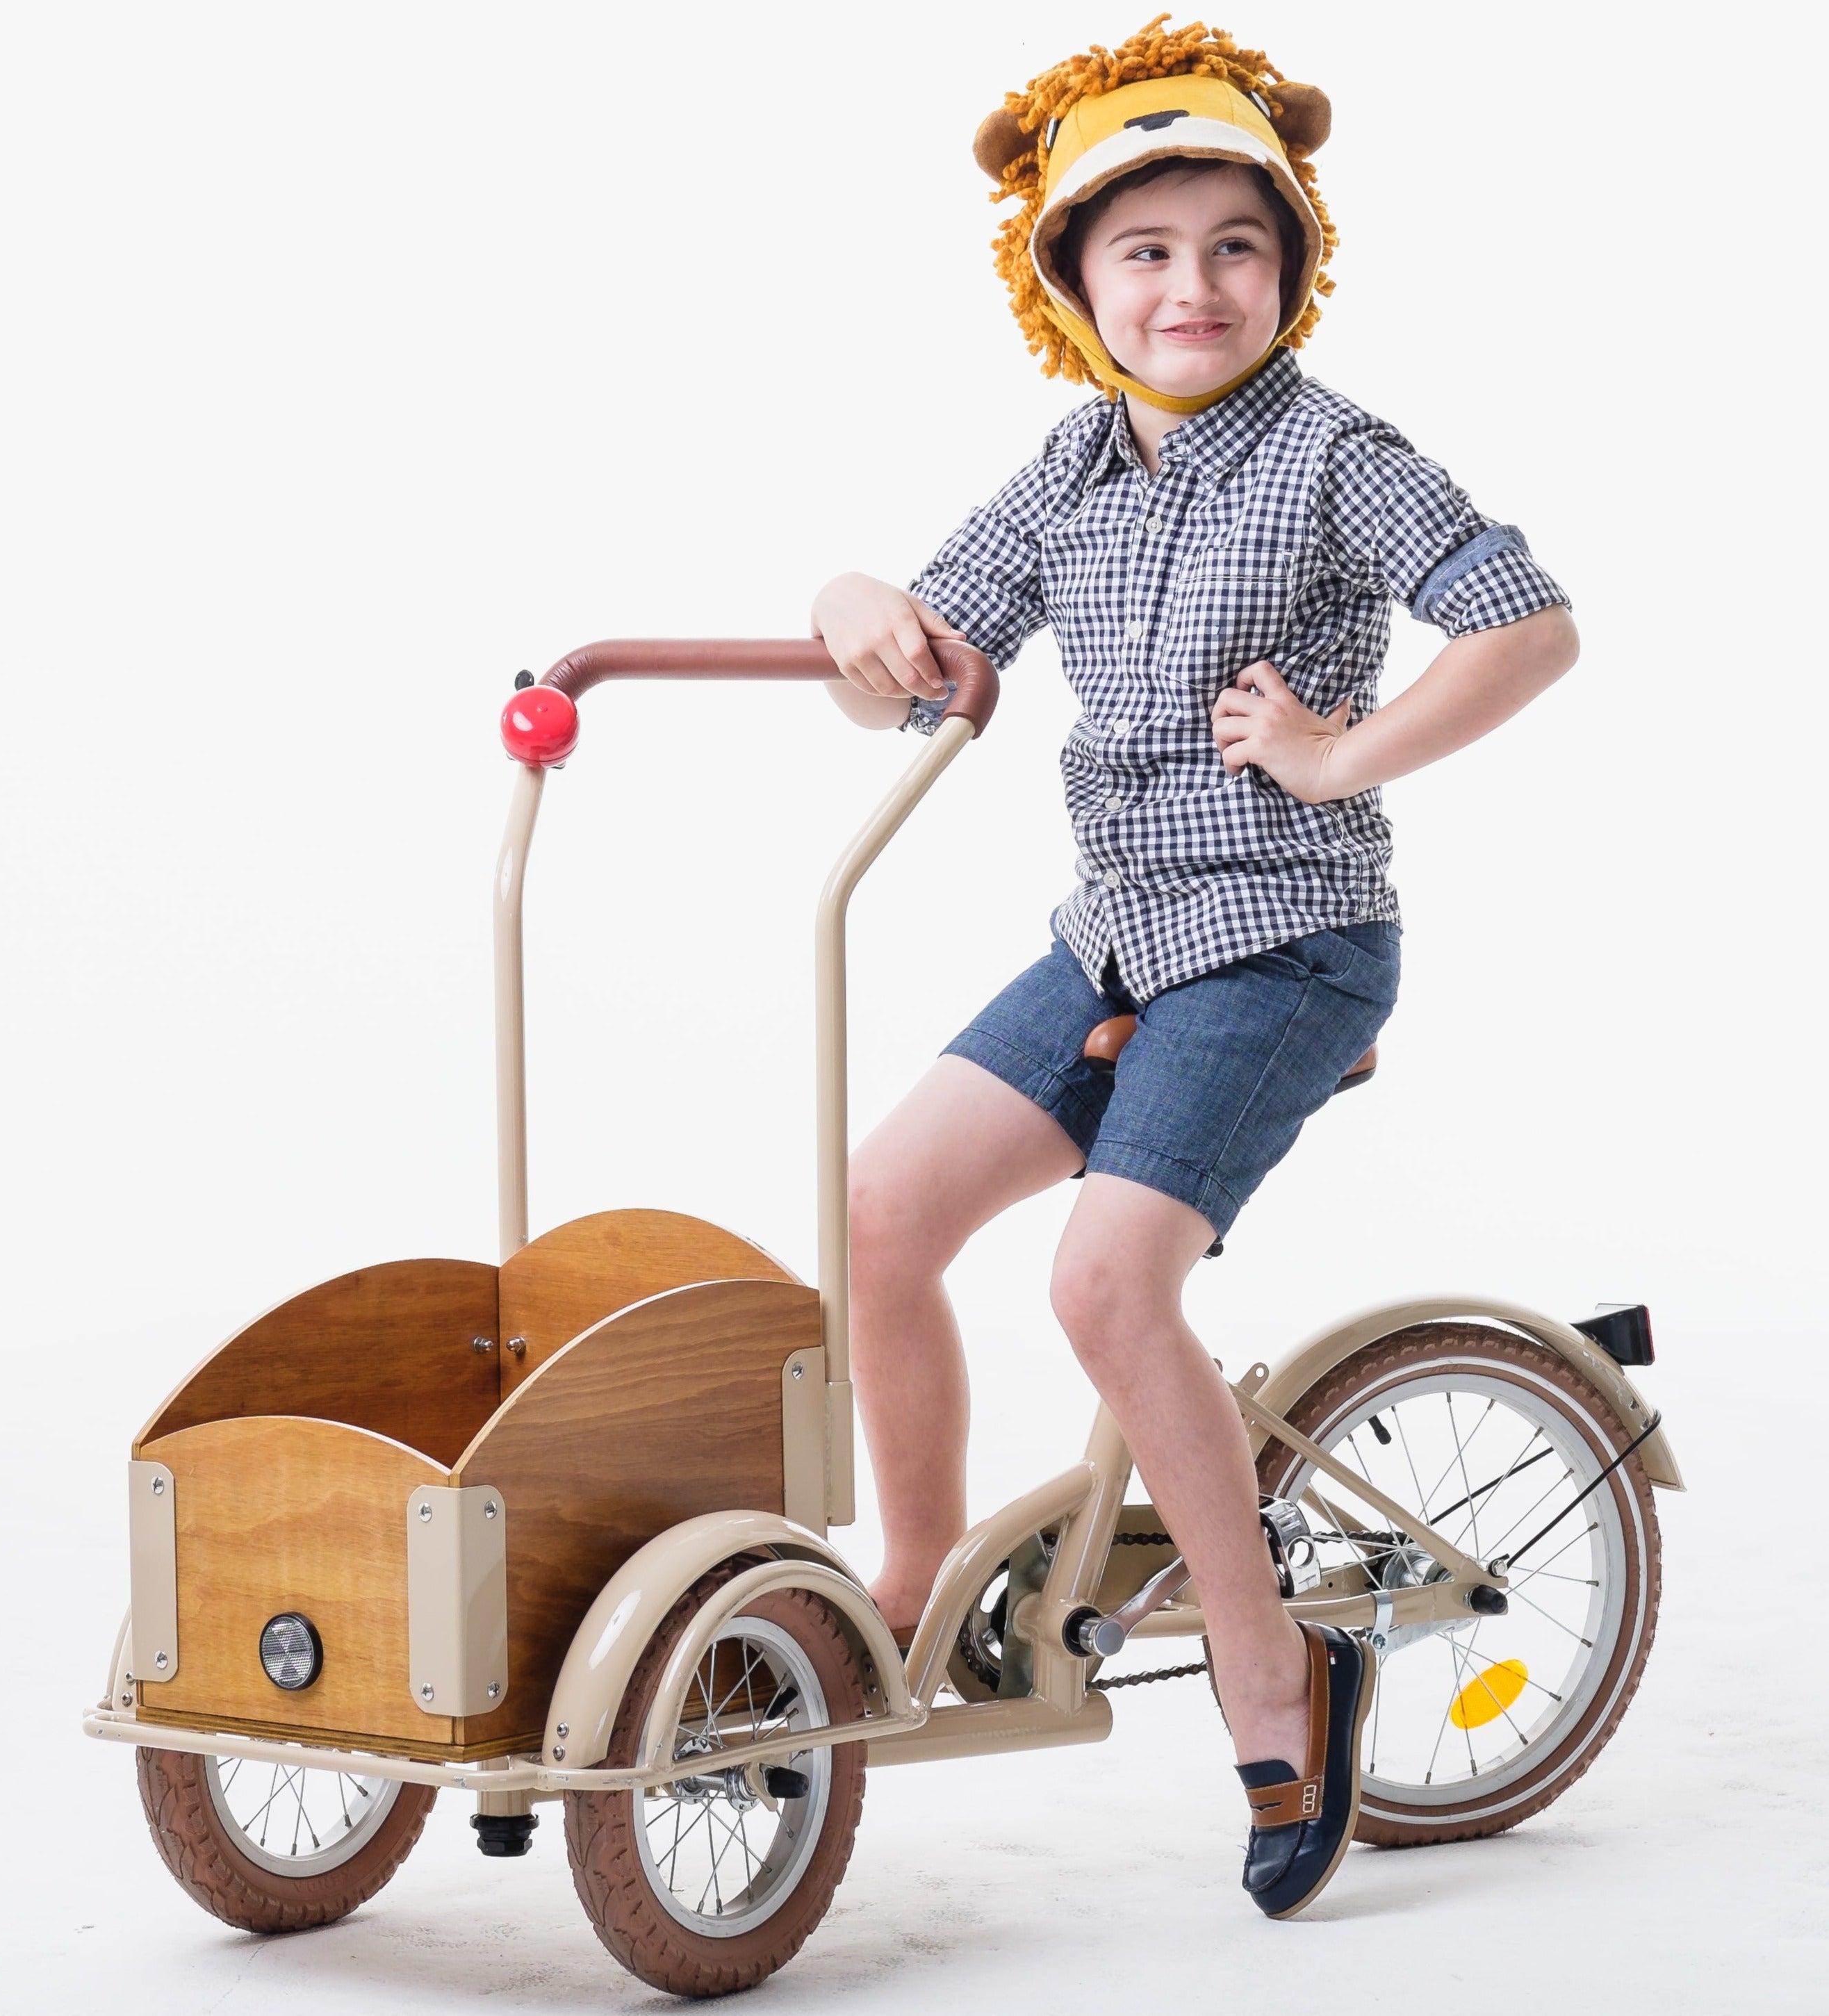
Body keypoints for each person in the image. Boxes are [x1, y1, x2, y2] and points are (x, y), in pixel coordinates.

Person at [809, 15, 1578, 1919]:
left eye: (1236, 244)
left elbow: (1529, 626)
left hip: (1287, 943)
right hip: (1118, 930)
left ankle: (1270, 1673)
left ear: (1291, 267)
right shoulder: (1073, 465)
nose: (1193, 286)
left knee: (1102, 1282)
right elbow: (924, 653)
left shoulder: (1334, 456)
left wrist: (1337, 751)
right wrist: (850, 610)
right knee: (878, 1209)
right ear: (1073, 281)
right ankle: (910, 1578)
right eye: (1144, 250)